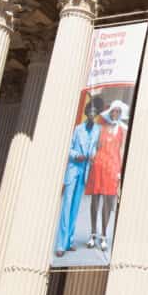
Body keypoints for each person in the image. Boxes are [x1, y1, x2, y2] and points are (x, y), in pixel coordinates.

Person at [55, 96, 102, 256]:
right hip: (74, 168)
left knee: (75, 207)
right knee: (67, 205)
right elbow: (67, 148)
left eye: (95, 112)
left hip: (85, 170)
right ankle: (61, 245)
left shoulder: (97, 130)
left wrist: (93, 155)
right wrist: (77, 156)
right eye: (90, 111)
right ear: (86, 112)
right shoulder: (77, 129)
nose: (92, 113)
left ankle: (69, 241)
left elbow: (95, 147)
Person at [85, 100, 128, 251]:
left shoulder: (122, 131)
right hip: (99, 166)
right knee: (95, 203)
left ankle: (103, 235)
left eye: (117, 112)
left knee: (108, 205)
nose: (115, 114)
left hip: (112, 168)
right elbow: (95, 147)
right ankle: (92, 234)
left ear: (120, 114)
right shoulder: (101, 129)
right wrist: (92, 156)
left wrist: (120, 172)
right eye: (113, 112)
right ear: (110, 113)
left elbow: (121, 151)